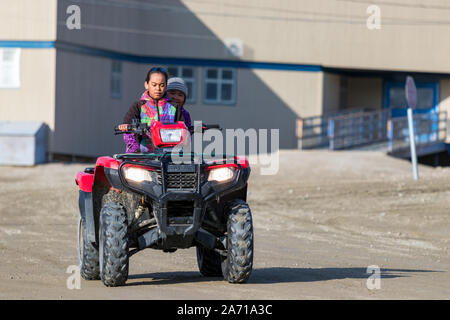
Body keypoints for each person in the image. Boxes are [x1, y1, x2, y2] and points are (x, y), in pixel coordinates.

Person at [118, 67, 178, 153]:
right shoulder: (138, 106)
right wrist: (125, 126)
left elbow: (183, 127)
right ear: (146, 84)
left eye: (162, 85)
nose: (158, 89)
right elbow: (127, 123)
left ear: (166, 86)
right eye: (154, 85)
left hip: (168, 154)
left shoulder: (174, 107)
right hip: (143, 155)